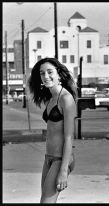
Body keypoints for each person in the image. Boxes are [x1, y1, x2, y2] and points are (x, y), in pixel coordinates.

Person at [28, 58, 77, 203]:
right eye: (42, 73)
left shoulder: (66, 99)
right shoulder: (50, 99)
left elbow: (69, 137)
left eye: (50, 72)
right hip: (48, 158)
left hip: (61, 159)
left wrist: (63, 169)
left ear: (59, 75)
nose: (46, 76)